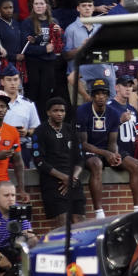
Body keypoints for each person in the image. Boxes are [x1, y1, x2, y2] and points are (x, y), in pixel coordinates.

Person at [76, 78, 138, 218]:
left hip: (106, 150)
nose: (100, 96)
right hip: (89, 151)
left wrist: (115, 154)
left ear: (108, 95)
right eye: (97, 93)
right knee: (96, 163)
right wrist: (107, 154)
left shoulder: (113, 113)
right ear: (92, 95)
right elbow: (83, 143)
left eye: (103, 93)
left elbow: (112, 141)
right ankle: (99, 213)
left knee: (136, 165)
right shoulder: (82, 111)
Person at [32, 97, 85, 227]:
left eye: (62, 110)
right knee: (62, 223)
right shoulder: (40, 131)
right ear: (48, 112)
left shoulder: (70, 130)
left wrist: (73, 178)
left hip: (73, 181)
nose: (59, 113)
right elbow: (39, 161)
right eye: (55, 110)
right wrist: (63, 178)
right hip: (53, 183)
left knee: (81, 221)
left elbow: (80, 159)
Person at [0, 65, 39, 167]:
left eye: (15, 79)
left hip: (21, 147)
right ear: (2, 82)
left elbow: (36, 128)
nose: (13, 83)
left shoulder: (28, 104)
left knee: (21, 179)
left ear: (19, 81)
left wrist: (26, 132)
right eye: (9, 80)